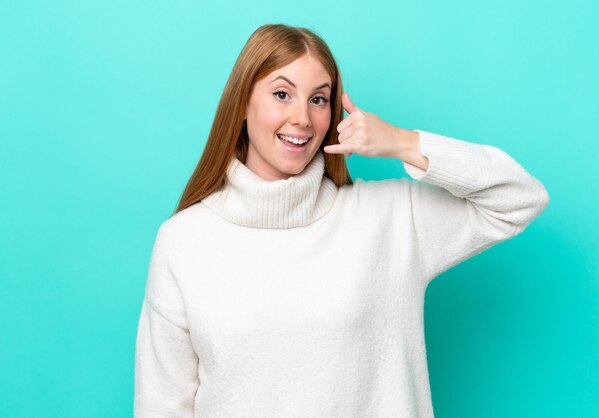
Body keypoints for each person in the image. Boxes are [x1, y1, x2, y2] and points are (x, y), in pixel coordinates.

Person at [133, 23, 549, 418]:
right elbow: (161, 406)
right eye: (282, 94)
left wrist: (402, 143)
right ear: (243, 102)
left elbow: (520, 197)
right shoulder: (184, 242)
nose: (302, 117)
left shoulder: (390, 220)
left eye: (318, 99)